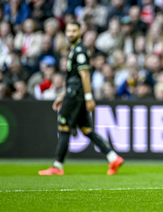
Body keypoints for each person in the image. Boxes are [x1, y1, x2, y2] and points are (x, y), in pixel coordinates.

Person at [38, 21, 124, 176]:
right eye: (68, 31)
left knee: (64, 127)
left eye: (74, 31)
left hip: (75, 95)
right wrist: (62, 95)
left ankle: (57, 166)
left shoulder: (79, 51)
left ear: (80, 32)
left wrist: (89, 97)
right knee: (87, 130)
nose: (70, 34)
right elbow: (74, 76)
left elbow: (84, 75)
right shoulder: (74, 50)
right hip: (73, 93)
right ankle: (113, 157)